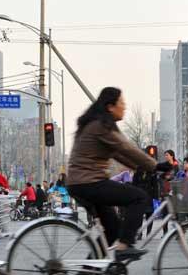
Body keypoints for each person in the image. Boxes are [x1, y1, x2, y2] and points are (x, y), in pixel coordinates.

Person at [66, 87, 170, 259]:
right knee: (139, 197)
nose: (124, 107)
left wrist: (143, 167)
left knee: (113, 229)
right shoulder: (101, 126)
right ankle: (125, 245)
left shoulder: (98, 125)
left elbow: (118, 154)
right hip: (89, 183)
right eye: (122, 103)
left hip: (82, 183)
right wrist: (156, 166)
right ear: (110, 106)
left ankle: (87, 272)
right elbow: (125, 147)